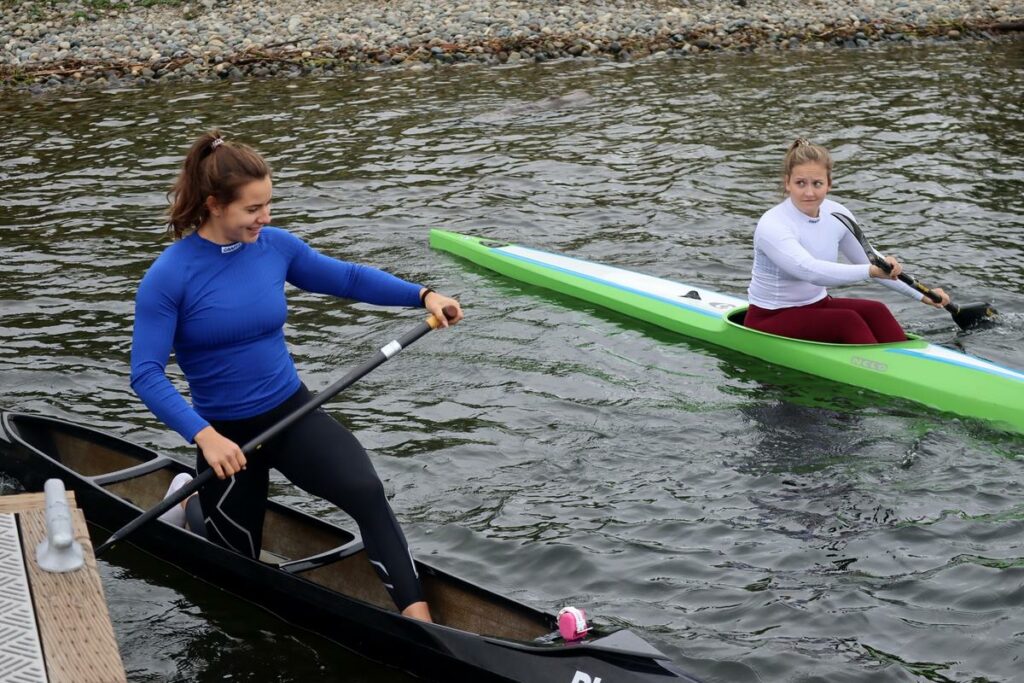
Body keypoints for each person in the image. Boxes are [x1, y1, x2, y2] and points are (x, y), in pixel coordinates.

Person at [130, 130, 463, 623]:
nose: (265, 218)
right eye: (252, 209)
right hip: (227, 439)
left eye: (268, 204)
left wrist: (423, 296)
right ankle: (190, 505)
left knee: (367, 492)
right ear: (214, 205)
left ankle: (420, 622)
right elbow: (146, 374)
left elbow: (346, 278)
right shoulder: (169, 276)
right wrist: (206, 437)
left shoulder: (274, 247)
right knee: (237, 565)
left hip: (291, 412)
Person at [744, 138, 949, 344]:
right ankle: (880, 370)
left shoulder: (837, 213)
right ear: (787, 183)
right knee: (847, 321)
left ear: (829, 184)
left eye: (817, 184)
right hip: (769, 316)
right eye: (800, 183)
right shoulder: (773, 224)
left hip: (817, 305)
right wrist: (870, 271)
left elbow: (869, 260)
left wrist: (922, 294)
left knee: (876, 310)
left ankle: (909, 362)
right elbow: (809, 271)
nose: (809, 192)